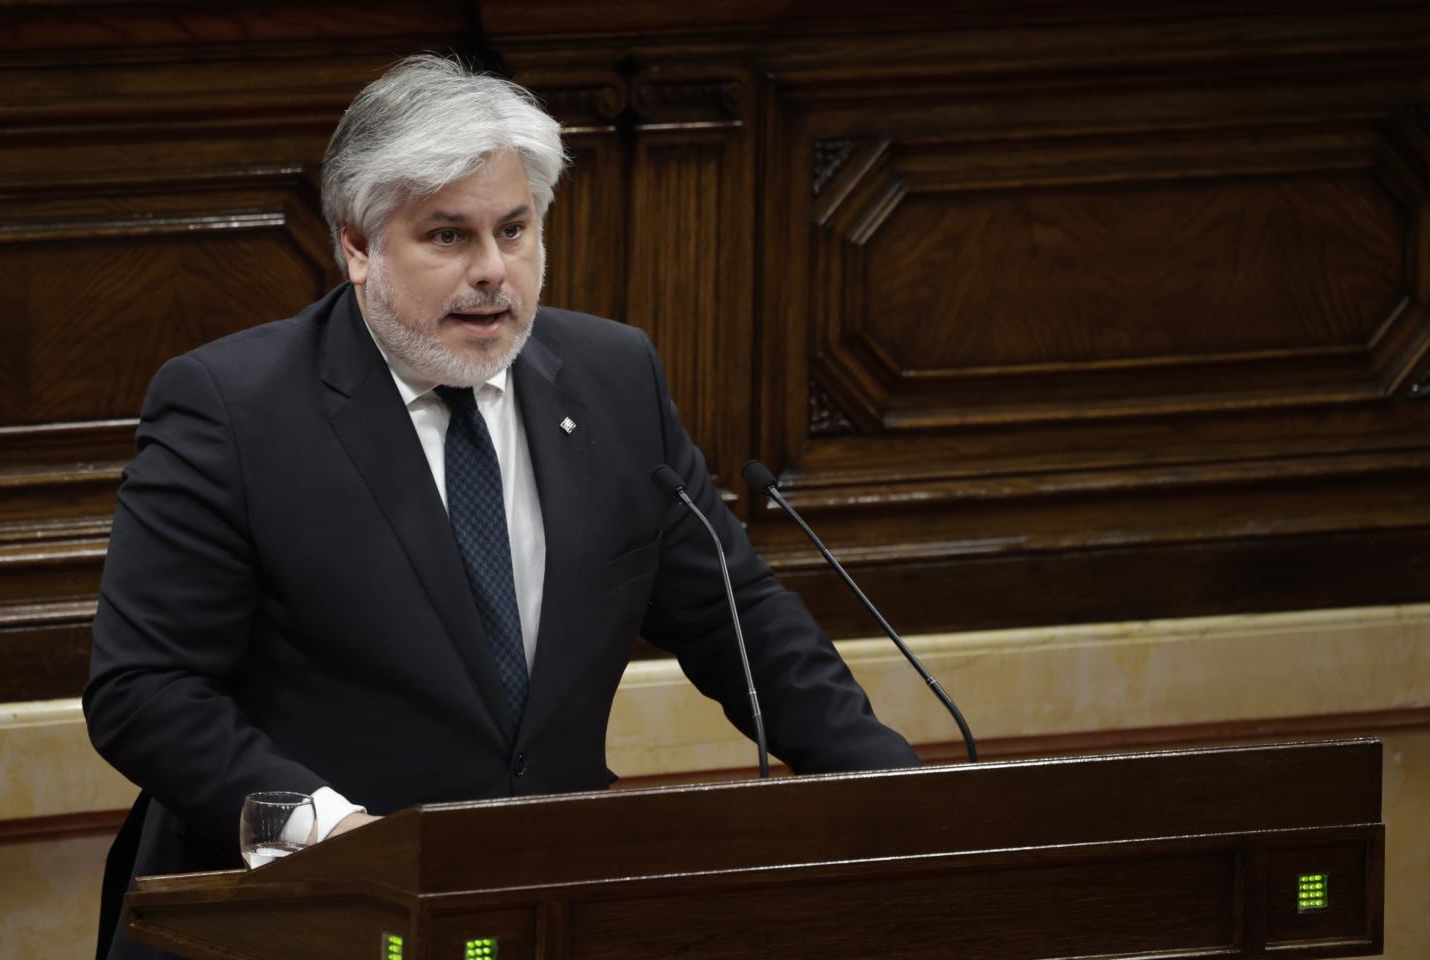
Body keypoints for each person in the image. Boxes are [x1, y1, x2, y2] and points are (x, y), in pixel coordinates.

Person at [84, 53, 918, 960]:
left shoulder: (613, 380)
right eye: (448, 236)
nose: (493, 272)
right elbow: (145, 692)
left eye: (514, 230)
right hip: (305, 920)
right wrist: (329, 834)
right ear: (358, 246)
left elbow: (737, 620)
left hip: (541, 911)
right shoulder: (233, 408)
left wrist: (901, 799)